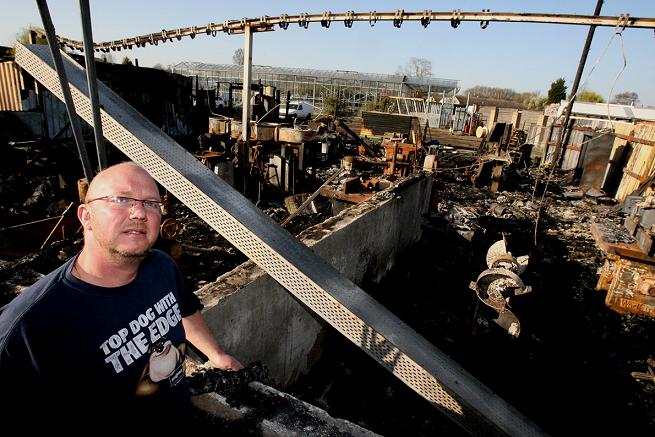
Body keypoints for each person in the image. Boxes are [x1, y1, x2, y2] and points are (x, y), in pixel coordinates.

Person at [0, 162, 243, 425]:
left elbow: (184, 308)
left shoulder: (161, 266)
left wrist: (215, 354)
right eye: (121, 199)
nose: (139, 212)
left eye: (151, 203)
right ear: (86, 216)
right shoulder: (28, 327)